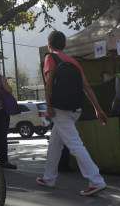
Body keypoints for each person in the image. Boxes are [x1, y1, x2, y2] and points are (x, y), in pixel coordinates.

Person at [37, 30, 108, 196]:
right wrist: (98, 109)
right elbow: (87, 87)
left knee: (75, 144)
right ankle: (49, 178)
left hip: (59, 109)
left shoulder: (50, 58)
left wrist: (48, 106)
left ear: (49, 44)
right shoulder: (73, 61)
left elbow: (48, 85)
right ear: (64, 45)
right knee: (55, 143)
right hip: (75, 108)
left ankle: (96, 180)